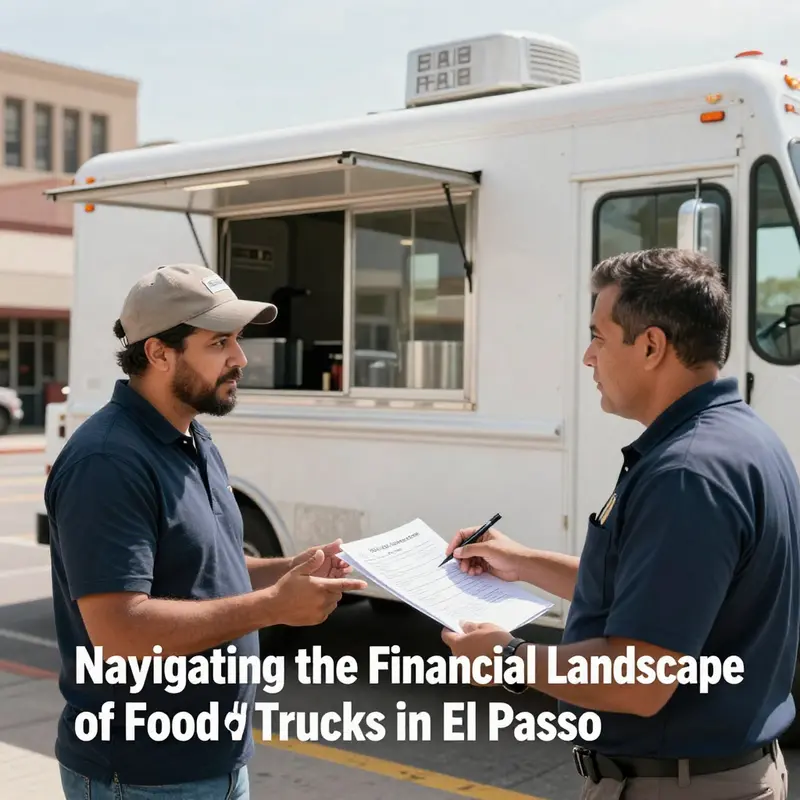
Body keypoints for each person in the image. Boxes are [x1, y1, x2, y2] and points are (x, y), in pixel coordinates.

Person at [441, 248, 799, 799]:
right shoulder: (742, 439)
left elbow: (640, 677)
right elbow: (660, 595)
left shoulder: (686, 473)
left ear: (651, 346)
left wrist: (509, 658)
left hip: (679, 785)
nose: (588, 357)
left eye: (599, 337)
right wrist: (522, 561)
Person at [45, 263, 368, 799]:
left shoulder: (192, 437)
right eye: (219, 342)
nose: (240, 358)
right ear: (159, 352)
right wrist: (273, 608)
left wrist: (294, 569)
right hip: (143, 776)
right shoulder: (108, 461)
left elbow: (206, 573)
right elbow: (120, 632)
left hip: (214, 762)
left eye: (237, 340)